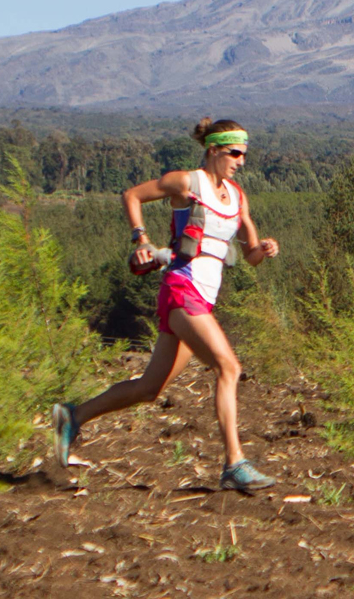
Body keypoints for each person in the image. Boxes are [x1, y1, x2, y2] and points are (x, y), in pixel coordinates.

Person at [50, 118, 282, 492]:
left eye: (244, 154)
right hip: (181, 288)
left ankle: (73, 416)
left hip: (203, 297)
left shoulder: (238, 197)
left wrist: (265, 249)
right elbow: (132, 195)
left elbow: (250, 255)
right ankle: (234, 463)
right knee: (229, 367)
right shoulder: (187, 182)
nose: (241, 161)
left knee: (149, 388)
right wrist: (140, 238)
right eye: (235, 153)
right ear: (214, 150)